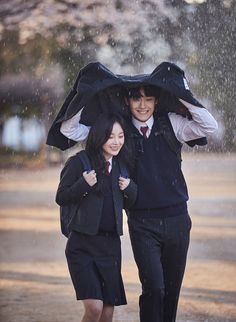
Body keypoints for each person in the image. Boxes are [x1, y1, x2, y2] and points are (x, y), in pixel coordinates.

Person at [60, 83, 218, 322]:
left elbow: (210, 125)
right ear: (127, 101)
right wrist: (89, 92)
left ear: (157, 101)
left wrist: (181, 92)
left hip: (177, 219)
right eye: (136, 99)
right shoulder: (118, 131)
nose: (142, 106)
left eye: (149, 99)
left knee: (171, 292)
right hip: (142, 223)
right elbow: (70, 130)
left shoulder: (171, 123)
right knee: (154, 288)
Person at [56, 113, 137, 322]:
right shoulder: (79, 162)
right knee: (94, 308)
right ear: (99, 136)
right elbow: (61, 197)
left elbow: (130, 202)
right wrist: (83, 184)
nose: (116, 142)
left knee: (107, 313)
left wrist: (130, 189)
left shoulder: (122, 165)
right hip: (82, 246)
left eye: (120, 136)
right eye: (110, 136)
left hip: (110, 247)